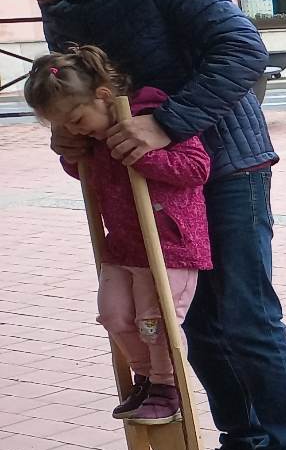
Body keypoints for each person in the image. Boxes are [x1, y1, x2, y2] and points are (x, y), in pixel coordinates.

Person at [0, 0, 286, 450]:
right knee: (189, 318)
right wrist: (72, 134)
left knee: (245, 313)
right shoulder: (59, 5)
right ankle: (245, 440)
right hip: (151, 187)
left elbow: (242, 50)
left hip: (226, 163)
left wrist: (167, 122)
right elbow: (85, 96)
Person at [29, 46, 210, 426]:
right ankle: (146, 377)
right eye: (64, 127)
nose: (75, 130)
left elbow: (196, 168)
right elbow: (90, 174)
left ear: (103, 96)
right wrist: (73, 156)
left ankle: (167, 385)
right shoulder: (94, 140)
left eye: (77, 119)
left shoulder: (153, 121)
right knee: (113, 314)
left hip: (169, 244)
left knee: (155, 319)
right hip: (123, 246)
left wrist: (143, 155)